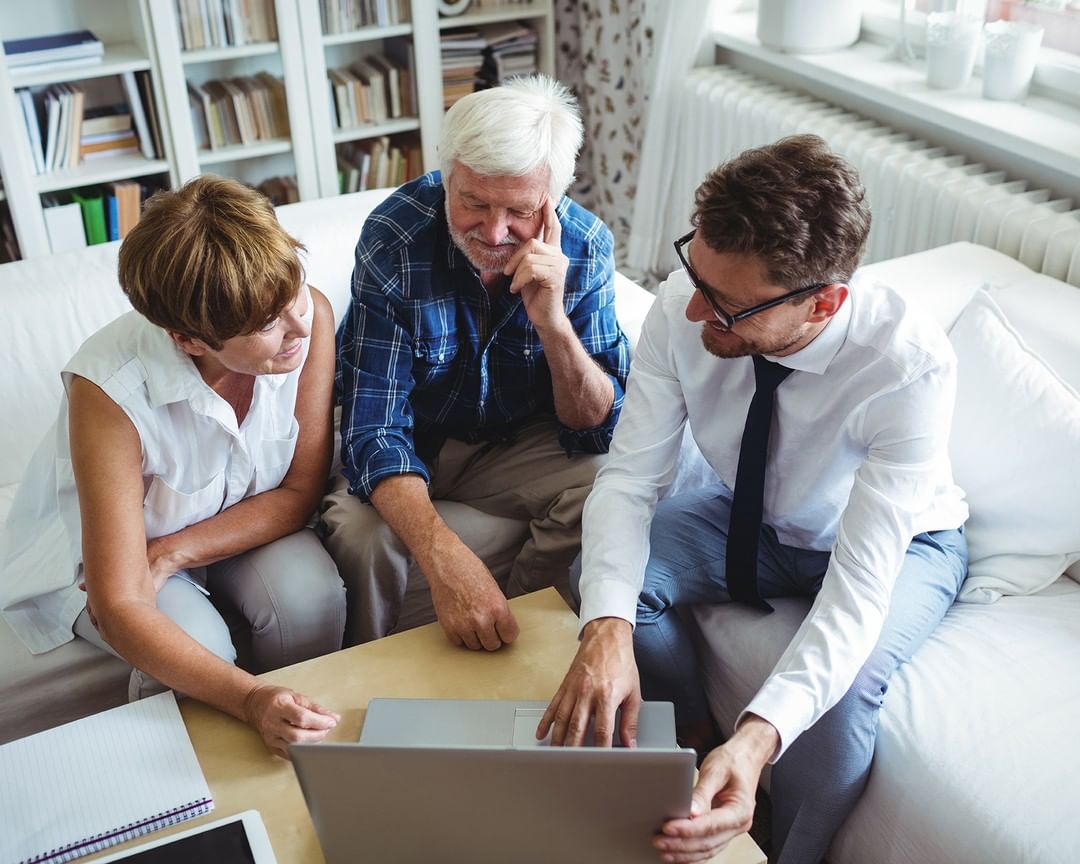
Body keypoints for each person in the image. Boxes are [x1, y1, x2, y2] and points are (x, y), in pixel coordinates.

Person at [539, 135, 969, 863]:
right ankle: (690, 743)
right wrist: (607, 628)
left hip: (897, 542)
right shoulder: (685, 303)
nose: (694, 312)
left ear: (823, 302)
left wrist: (761, 731)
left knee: (838, 701)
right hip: (755, 518)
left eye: (728, 307)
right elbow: (630, 478)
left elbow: (858, 591)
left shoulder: (908, 369)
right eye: (695, 275)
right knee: (600, 587)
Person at [0, 177, 347, 759]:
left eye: (296, 288)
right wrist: (249, 699)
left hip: (230, 522)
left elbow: (298, 491)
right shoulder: (109, 391)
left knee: (312, 598)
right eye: (265, 324)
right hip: (101, 560)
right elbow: (120, 602)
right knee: (202, 645)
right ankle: (194, 793)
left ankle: (311, 749)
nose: (301, 326)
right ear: (189, 340)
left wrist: (175, 551)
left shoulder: (307, 318)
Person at [320, 74, 630, 650]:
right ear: (447, 177)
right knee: (363, 536)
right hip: (414, 438)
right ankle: (366, 672)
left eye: (519, 210)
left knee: (608, 480)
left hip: (514, 446)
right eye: (473, 202)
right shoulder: (395, 237)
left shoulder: (586, 247)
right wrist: (445, 558)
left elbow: (600, 426)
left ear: (554, 199)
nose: (493, 232)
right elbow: (374, 428)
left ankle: (522, 640)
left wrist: (554, 325)